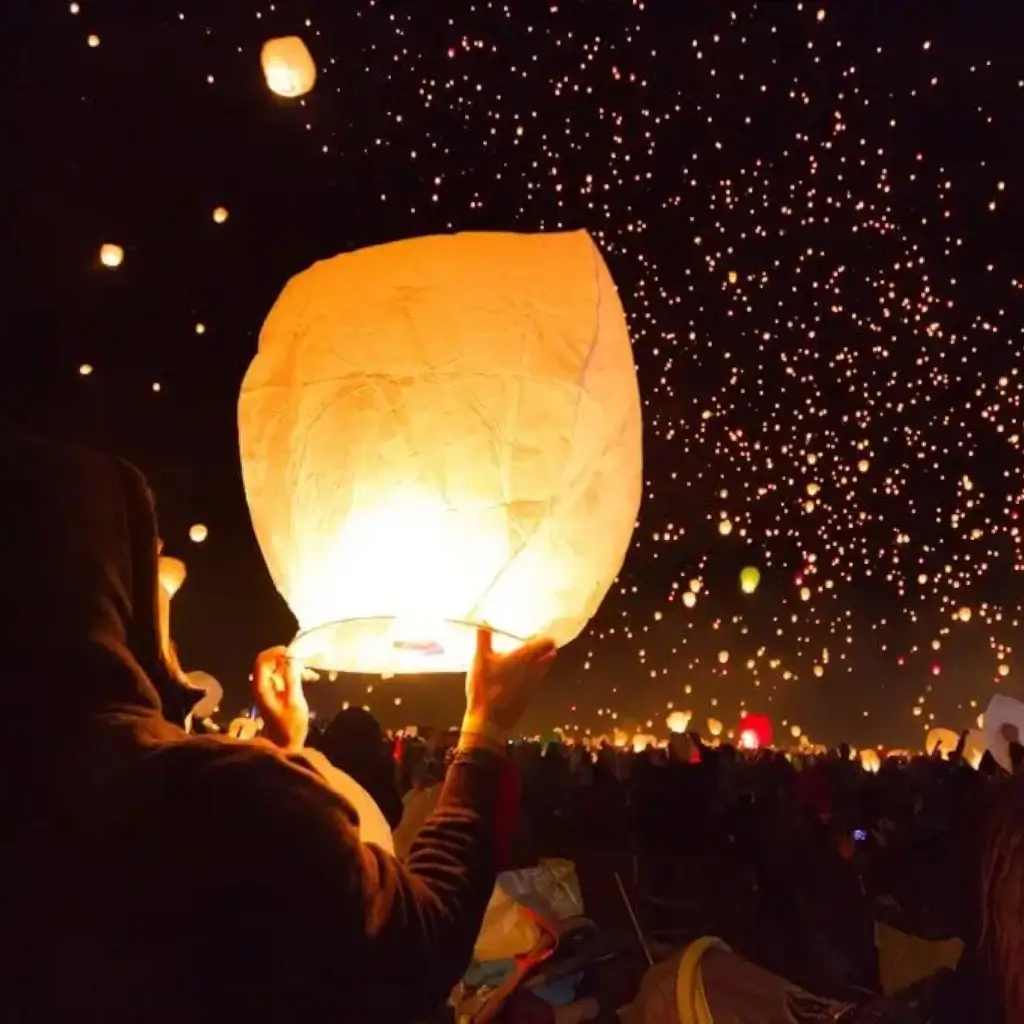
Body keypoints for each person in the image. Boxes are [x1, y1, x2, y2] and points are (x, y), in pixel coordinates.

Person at [0, 433, 556, 1022]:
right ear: (108, 587)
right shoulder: (235, 798)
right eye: (145, 566)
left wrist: (275, 753)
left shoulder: (45, 789)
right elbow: (418, 943)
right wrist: (485, 727)